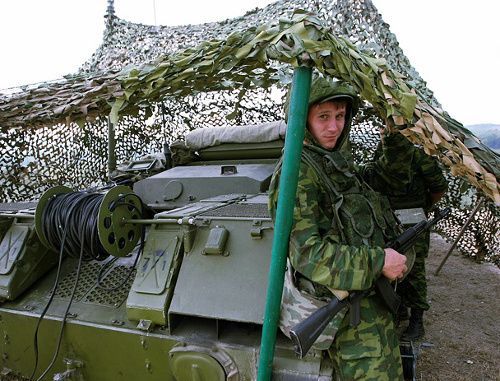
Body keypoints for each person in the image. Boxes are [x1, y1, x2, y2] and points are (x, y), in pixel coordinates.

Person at [268, 75, 416, 380]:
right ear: (303, 120)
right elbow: (308, 254)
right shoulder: (298, 173)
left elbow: (389, 183)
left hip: (371, 303)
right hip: (350, 317)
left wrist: (394, 138)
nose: (334, 127)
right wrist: (378, 262)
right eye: (323, 117)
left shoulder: (334, 163)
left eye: (340, 116)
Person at [360, 134, 448, 341]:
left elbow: (438, 188)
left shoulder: (419, 156)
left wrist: (421, 208)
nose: (385, 133)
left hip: (410, 221)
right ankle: (399, 311)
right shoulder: (385, 152)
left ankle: (416, 320)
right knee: (392, 265)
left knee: (414, 270)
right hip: (389, 220)